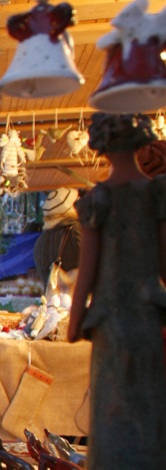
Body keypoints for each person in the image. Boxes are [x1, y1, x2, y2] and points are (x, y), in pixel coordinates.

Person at [67, 113, 166, 468]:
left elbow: (88, 270)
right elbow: (163, 261)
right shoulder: (156, 192)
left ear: (101, 146)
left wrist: (75, 322)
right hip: (149, 314)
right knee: (149, 401)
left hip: (110, 319)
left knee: (112, 406)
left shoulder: (99, 199)